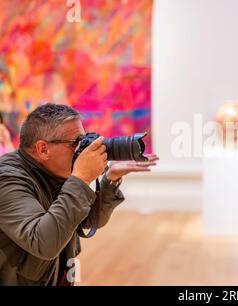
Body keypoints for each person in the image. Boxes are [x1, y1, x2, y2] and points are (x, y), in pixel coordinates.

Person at [0, 103, 159, 285]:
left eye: (83, 140)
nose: (82, 149)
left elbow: (89, 221)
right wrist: (81, 179)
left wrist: (110, 180)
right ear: (43, 149)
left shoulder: (55, 171)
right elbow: (43, 242)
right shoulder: (7, 179)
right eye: (76, 143)